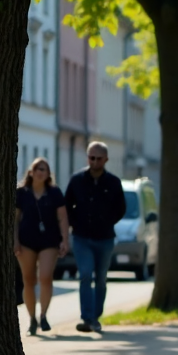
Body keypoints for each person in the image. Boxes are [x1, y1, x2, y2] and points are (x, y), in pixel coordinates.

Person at [65, 142, 127, 333]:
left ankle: (96, 317)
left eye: (99, 158)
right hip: (82, 237)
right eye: (91, 157)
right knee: (85, 274)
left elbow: (121, 208)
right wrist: (74, 224)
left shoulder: (114, 183)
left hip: (105, 238)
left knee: (101, 278)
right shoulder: (77, 180)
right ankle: (86, 317)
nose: (94, 161)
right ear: (87, 158)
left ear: (106, 160)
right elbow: (67, 205)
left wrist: (107, 221)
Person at [14, 158, 69, 336]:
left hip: (49, 241)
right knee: (28, 280)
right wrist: (15, 241)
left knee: (45, 277)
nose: (40, 172)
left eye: (44, 169)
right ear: (31, 172)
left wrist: (64, 240)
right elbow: (14, 220)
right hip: (26, 241)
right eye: (37, 169)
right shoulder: (21, 193)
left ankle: (44, 315)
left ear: (48, 174)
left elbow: (62, 218)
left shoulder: (54, 193)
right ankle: (32, 319)